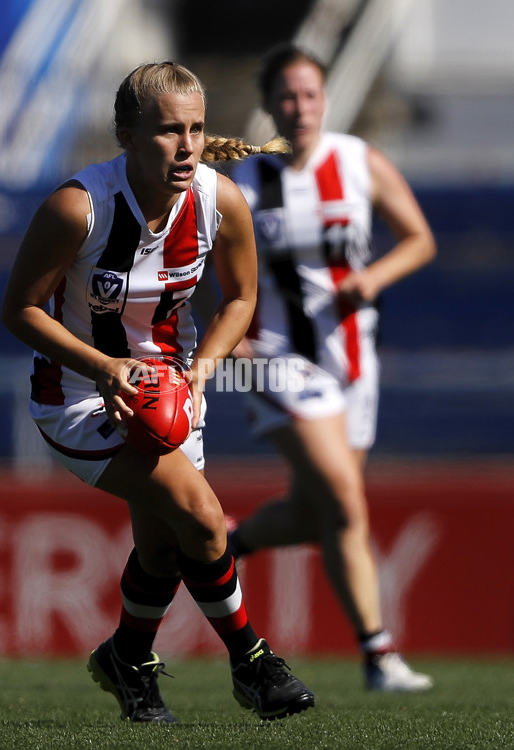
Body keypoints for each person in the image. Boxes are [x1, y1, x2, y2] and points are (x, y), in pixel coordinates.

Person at [1, 61, 315, 723]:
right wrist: (107, 369)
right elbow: (20, 310)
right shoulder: (78, 207)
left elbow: (242, 299)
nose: (188, 144)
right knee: (201, 515)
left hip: (171, 391)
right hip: (80, 395)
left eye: (196, 129)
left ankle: (128, 661)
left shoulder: (218, 199)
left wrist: (200, 371)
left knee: (165, 548)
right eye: (169, 131)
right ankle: (254, 664)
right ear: (127, 135)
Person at [226, 43, 436, 692]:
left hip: (352, 361)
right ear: (268, 105)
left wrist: (371, 278)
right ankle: (379, 656)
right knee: (346, 502)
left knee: (323, 513)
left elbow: (419, 239)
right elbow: (210, 263)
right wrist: (227, 336)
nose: (300, 107)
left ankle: (222, 546)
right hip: (275, 361)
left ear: (326, 99)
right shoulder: (246, 180)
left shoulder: (357, 160)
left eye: (310, 94)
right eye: (287, 96)